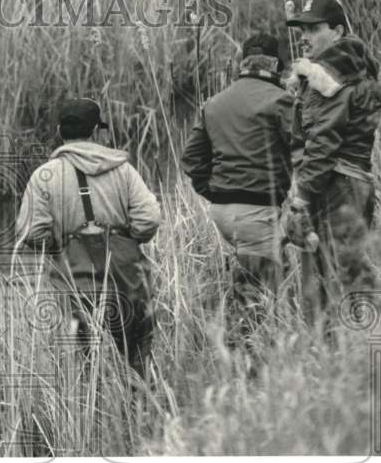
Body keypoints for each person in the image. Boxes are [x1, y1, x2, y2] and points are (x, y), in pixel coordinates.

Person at [15, 98, 162, 378]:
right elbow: (149, 219)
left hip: (73, 277)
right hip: (125, 274)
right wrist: (126, 238)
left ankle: (88, 415)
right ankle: (139, 411)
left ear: (60, 131)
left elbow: (30, 232)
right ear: (97, 131)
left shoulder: (43, 176)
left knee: (81, 360)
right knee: (136, 353)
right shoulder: (123, 170)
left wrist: (60, 244)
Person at [181, 33, 295, 352]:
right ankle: (248, 367)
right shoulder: (280, 100)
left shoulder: (214, 103)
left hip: (222, 212)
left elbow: (191, 159)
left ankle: (253, 350)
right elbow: (303, 149)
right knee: (256, 296)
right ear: (275, 65)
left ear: (243, 63)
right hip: (257, 210)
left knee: (262, 275)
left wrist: (215, 191)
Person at [282, 0, 381, 326]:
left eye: (314, 28)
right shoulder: (348, 69)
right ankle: (355, 350)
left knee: (334, 282)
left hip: (337, 186)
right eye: (301, 28)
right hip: (352, 183)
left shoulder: (329, 79)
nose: (303, 36)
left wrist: (300, 200)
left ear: (338, 31)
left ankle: (350, 355)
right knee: (347, 275)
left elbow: (323, 143)